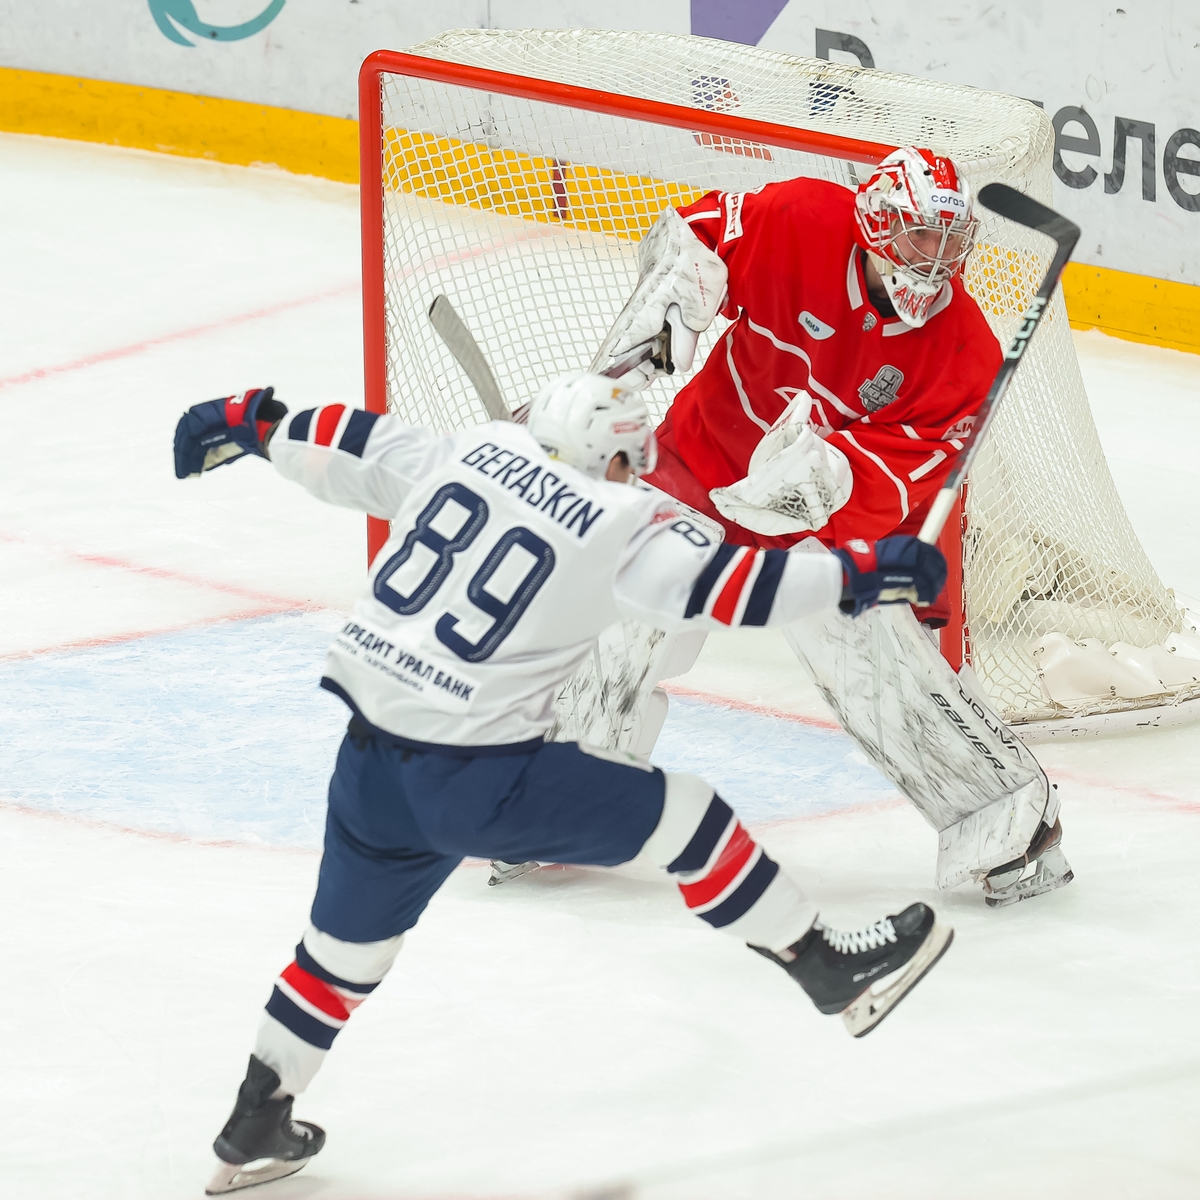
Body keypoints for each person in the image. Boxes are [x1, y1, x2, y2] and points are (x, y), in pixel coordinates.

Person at [174, 374, 952, 1194]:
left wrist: (253, 422)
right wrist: (858, 570)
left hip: (369, 761)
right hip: (476, 777)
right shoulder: (623, 522)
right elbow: (727, 589)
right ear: (613, 456)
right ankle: (824, 964)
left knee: (337, 957)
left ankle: (257, 1117)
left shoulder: (465, 453)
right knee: (690, 818)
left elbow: (350, 442)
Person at [582, 146, 1072, 907]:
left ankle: (1009, 815)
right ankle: (566, 794)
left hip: (821, 528)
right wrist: (648, 333)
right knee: (621, 614)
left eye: (951, 241)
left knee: (868, 655)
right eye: (918, 238)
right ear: (873, 226)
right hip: (700, 466)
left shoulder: (966, 356)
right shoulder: (799, 218)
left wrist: (820, 477)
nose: (936, 261)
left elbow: (900, 480)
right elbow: (701, 236)